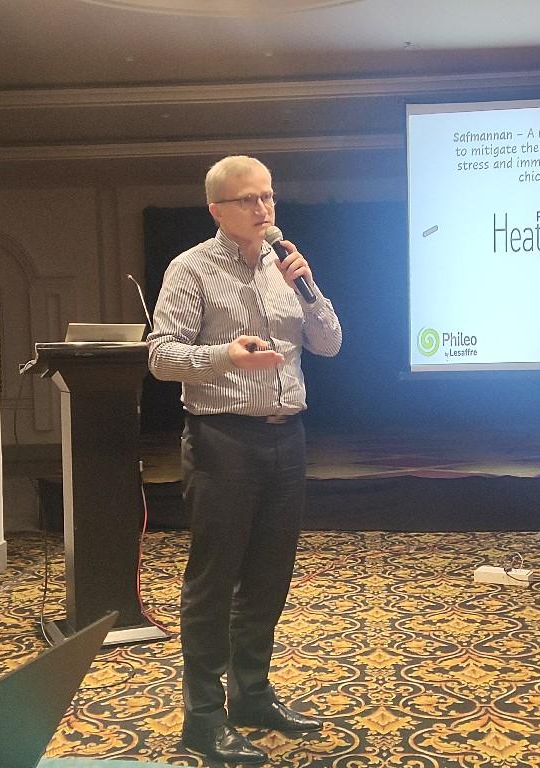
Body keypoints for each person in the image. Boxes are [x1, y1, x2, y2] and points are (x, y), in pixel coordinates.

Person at [147, 155, 342, 764]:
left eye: (268, 197)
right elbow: (161, 356)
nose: (263, 209)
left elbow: (330, 344)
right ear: (217, 210)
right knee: (214, 583)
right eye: (248, 200)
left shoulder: (287, 267)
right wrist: (226, 356)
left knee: (267, 578)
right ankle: (202, 718)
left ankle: (252, 696)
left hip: (287, 438)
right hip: (222, 440)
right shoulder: (191, 269)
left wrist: (308, 289)